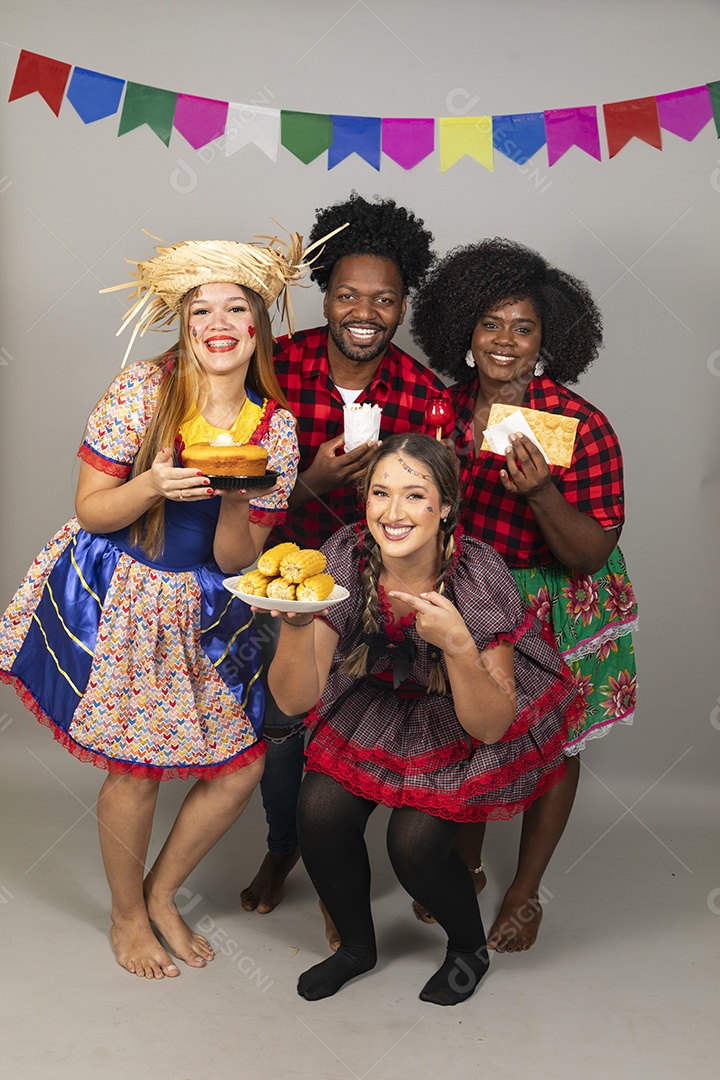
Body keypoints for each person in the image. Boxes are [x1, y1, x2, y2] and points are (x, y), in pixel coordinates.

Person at [0, 233, 313, 978]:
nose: (219, 321)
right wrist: (152, 485)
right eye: (200, 308)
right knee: (135, 772)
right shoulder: (142, 389)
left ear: (258, 324)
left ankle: (161, 893)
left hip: (206, 606)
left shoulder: (277, 429)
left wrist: (236, 501)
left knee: (237, 767)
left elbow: (238, 561)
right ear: (183, 323)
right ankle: (126, 916)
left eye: (236, 306)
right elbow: (91, 509)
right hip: (122, 589)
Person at [265, 433, 583, 1005]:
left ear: (445, 509)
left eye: (415, 496)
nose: (393, 513)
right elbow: (293, 701)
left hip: (462, 712)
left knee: (413, 844)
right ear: (363, 500)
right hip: (375, 699)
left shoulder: (476, 573)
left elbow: (491, 723)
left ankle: (467, 949)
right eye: (380, 493)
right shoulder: (342, 556)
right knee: (318, 809)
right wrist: (294, 623)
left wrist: (459, 644)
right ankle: (356, 949)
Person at [410, 237, 638, 952]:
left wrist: (540, 492)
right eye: (490, 324)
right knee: (472, 731)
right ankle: (469, 862)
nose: (505, 341)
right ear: (464, 333)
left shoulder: (581, 426)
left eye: (524, 327)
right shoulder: (437, 414)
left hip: (556, 599)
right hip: (474, 594)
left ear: (548, 340)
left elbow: (589, 552)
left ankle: (525, 889)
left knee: (555, 747)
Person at [241, 194, 453, 925]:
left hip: (376, 590)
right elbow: (230, 485)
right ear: (324, 297)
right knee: (283, 725)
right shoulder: (275, 368)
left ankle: (341, 872)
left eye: (384, 299)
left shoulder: (425, 398)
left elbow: (437, 512)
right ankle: (283, 844)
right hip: (286, 582)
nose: (365, 311)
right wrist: (310, 484)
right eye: (348, 294)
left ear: (402, 308)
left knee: (369, 721)